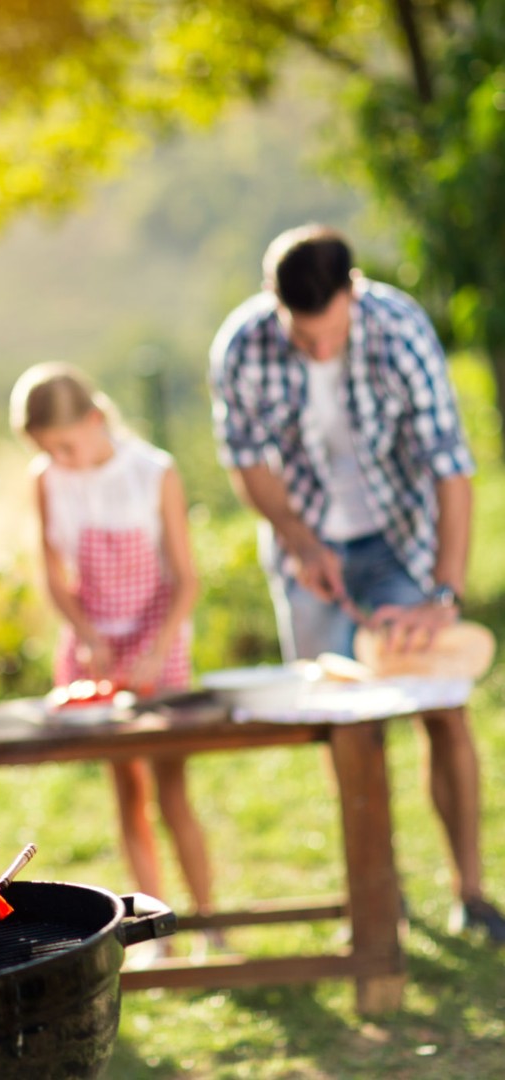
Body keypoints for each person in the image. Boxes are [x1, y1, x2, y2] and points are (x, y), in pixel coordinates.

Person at [209, 222, 505, 943]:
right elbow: (247, 462)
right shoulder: (242, 345)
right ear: (273, 303)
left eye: (329, 332)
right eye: (301, 336)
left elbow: (450, 464)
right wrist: (302, 542)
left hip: (402, 540)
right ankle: (382, 896)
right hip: (308, 550)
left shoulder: (400, 329)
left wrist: (442, 594)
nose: (317, 348)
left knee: (443, 708)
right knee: (344, 721)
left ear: (353, 290)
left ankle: (470, 891)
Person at [10, 362, 217, 929]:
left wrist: (156, 648)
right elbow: (54, 577)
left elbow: (186, 578)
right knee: (129, 792)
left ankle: (207, 921)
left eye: (68, 446)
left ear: (97, 418)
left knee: (172, 788)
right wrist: (84, 632)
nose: (62, 460)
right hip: (95, 649)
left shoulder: (153, 471)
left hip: (160, 640)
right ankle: (155, 928)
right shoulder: (47, 479)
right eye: (50, 451)